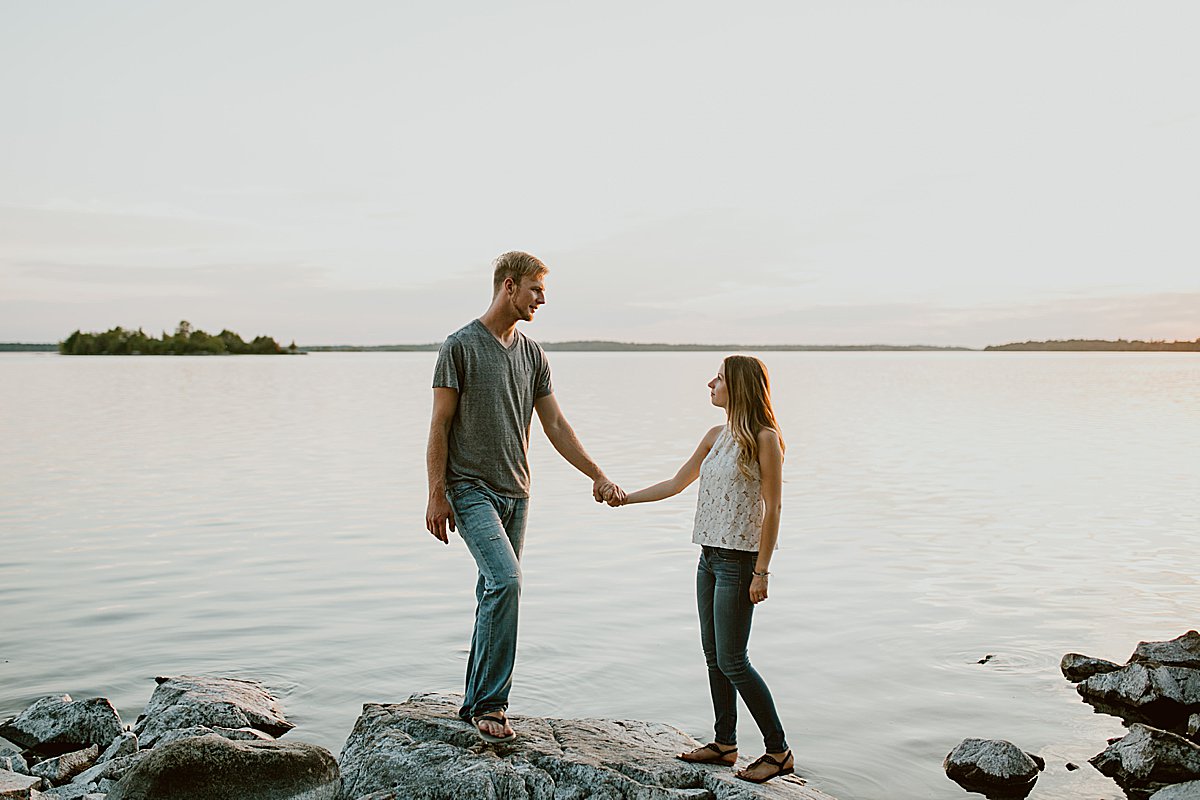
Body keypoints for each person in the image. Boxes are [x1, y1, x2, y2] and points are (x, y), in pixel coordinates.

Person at [425, 251, 623, 744]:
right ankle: (492, 703)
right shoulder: (460, 346)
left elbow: (555, 424)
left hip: (518, 493)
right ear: (509, 286)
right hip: (469, 488)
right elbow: (439, 424)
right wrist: (435, 493)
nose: (542, 299)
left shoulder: (533, 355)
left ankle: (473, 702)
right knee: (507, 581)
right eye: (536, 289)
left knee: (491, 591)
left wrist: (596, 475)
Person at [608, 355, 793, 783]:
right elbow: (676, 484)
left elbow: (773, 507)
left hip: (739, 562)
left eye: (720, 379)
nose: (710, 383)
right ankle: (725, 743)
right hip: (708, 558)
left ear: (741, 388)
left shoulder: (765, 439)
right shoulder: (715, 436)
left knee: (734, 660)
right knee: (714, 657)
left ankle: (778, 750)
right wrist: (626, 498)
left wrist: (762, 571)